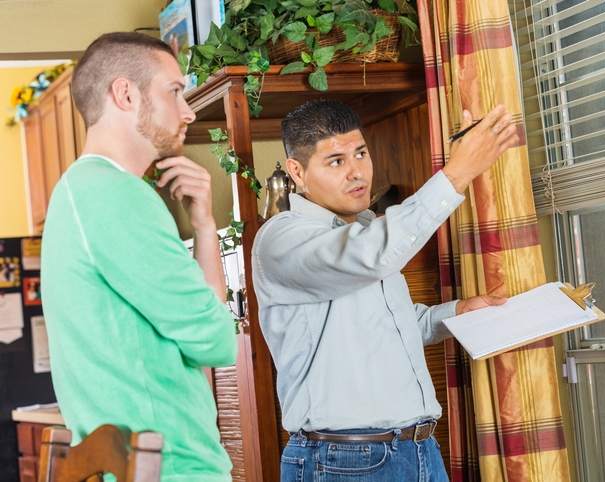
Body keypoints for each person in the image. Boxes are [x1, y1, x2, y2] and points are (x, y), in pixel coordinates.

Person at [252, 99, 518, 481]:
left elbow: (391, 325)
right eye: (336, 161)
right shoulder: (282, 240)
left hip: (420, 448)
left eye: (360, 153)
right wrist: (457, 173)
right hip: (344, 459)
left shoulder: (363, 231)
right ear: (297, 171)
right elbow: (372, 256)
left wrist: (455, 314)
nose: (356, 172)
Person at [41, 32, 237, 482]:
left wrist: (204, 227)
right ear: (125, 94)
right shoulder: (115, 195)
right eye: (174, 91)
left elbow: (208, 332)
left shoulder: (81, 190)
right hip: (172, 468)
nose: (187, 110)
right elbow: (217, 342)